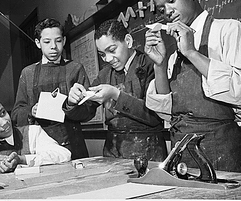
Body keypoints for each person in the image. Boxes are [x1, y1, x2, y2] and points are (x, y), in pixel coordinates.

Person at [145, 0, 241, 173]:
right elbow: (169, 112)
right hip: (182, 154)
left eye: (171, 0)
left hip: (222, 153)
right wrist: (159, 66)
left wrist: (192, 53)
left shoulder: (228, 30)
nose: (167, 11)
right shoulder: (173, 53)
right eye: (161, 9)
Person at [63, 19, 167, 161]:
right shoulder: (105, 74)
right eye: (102, 54)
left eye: (112, 50)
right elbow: (85, 112)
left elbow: (156, 115)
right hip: (113, 152)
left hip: (149, 151)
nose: (107, 59)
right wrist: (72, 102)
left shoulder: (151, 65)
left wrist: (116, 94)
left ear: (128, 41)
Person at [11, 18, 90, 160]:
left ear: (64, 41)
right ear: (37, 43)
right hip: (41, 149)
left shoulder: (75, 69)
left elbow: (89, 111)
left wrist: (71, 106)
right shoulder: (27, 73)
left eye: (58, 41)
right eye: (47, 42)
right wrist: (31, 111)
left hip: (73, 145)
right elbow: (16, 114)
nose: (53, 46)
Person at [0, 95, 71, 176]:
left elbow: (64, 154)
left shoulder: (32, 133)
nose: (4, 122)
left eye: (3, 113)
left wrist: (22, 159)